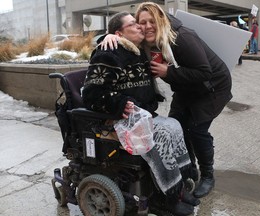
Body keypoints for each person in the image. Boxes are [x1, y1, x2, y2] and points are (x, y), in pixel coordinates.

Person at [101, 2, 233, 199]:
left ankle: (207, 176)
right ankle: (190, 169)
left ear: (161, 19)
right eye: (142, 22)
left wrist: (168, 72)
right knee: (178, 125)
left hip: (212, 87)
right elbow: (124, 39)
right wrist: (110, 35)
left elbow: (205, 71)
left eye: (152, 21)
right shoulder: (146, 41)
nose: (147, 26)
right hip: (185, 87)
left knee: (197, 130)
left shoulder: (182, 37)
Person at [81, 11, 199, 216]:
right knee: (160, 137)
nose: (139, 27)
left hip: (141, 115)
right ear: (119, 33)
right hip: (118, 120)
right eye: (133, 24)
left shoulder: (138, 50)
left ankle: (179, 187)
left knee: (174, 126)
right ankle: (167, 199)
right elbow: (91, 94)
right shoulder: (108, 53)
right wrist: (119, 104)